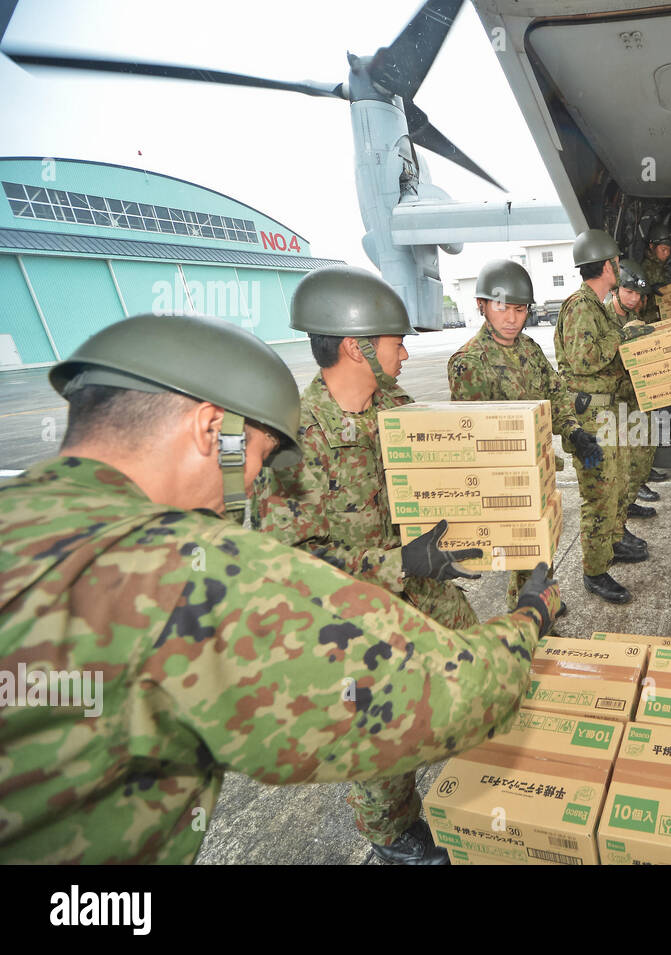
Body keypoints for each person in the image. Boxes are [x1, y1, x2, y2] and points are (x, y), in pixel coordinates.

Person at [0, 313, 559, 864]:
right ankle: (391, 833)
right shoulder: (188, 573)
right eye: (256, 457)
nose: (245, 485)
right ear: (207, 430)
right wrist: (530, 615)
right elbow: (444, 695)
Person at [248, 265, 489, 864]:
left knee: (477, 663)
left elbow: (437, 482)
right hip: (342, 609)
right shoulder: (291, 443)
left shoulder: (395, 407)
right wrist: (399, 560)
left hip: (411, 582)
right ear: (357, 347)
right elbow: (290, 566)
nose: (406, 353)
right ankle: (391, 834)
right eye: (396, 341)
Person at [444, 259, 603, 612]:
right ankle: (529, 615)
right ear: (482, 305)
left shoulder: (529, 349)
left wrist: (575, 433)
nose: (512, 318)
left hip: (537, 469)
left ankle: (540, 596)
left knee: (542, 543)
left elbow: (555, 393)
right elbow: (473, 436)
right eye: (503, 307)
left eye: (520, 309)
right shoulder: (470, 362)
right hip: (503, 478)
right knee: (523, 551)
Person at [553, 228, 645, 604]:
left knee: (618, 484)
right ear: (609, 265)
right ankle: (594, 571)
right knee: (599, 495)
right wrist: (626, 337)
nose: (619, 268)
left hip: (609, 409)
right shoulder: (579, 306)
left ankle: (613, 541)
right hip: (590, 416)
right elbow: (584, 359)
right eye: (617, 263)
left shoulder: (596, 307)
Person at [605, 261, 662, 520]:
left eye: (638, 294)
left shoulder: (632, 319)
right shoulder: (604, 319)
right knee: (622, 465)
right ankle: (620, 517)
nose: (634, 298)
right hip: (615, 404)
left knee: (642, 454)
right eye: (629, 291)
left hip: (637, 397)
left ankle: (630, 500)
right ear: (616, 289)